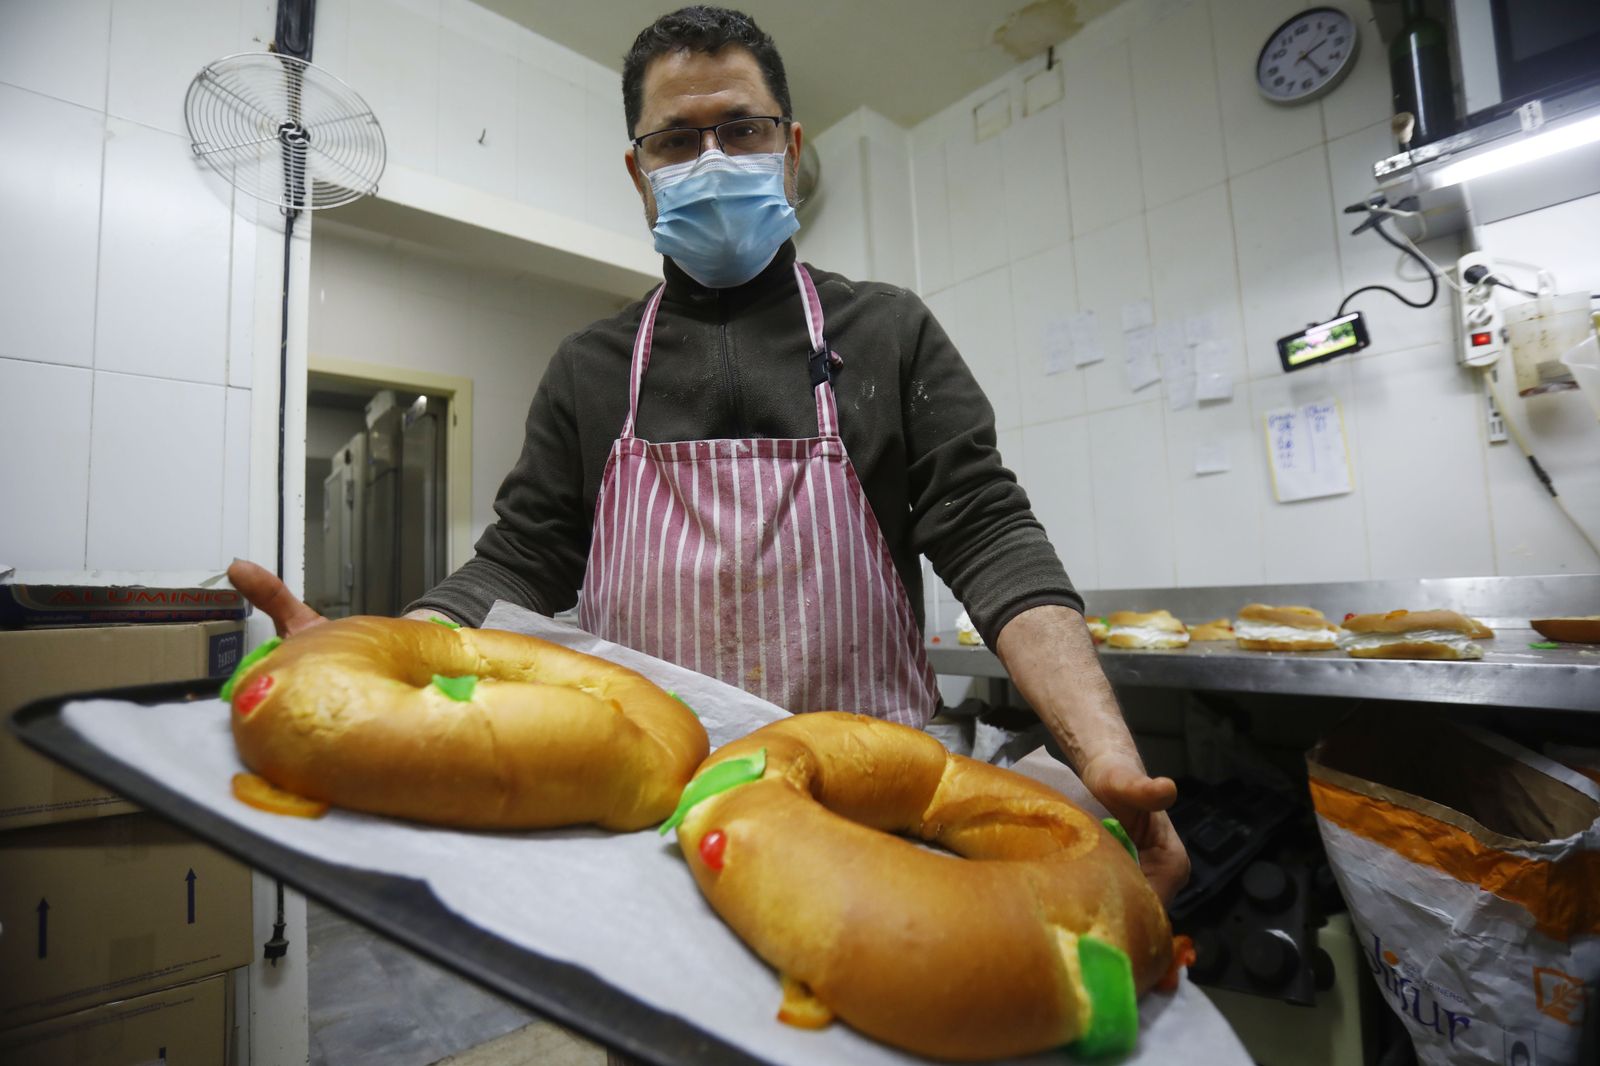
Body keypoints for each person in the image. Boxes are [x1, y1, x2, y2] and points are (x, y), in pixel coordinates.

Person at [230, 5, 1189, 901]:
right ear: (638, 171)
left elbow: (988, 534)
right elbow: (521, 561)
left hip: (875, 805)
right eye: (678, 140)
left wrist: (1104, 752)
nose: (713, 157)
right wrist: (379, 659)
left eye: (742, 129)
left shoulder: (888, 331)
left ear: (791, 146)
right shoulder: (590, 368)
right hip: (655, 819)